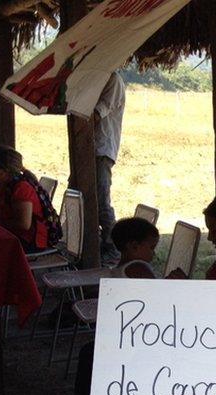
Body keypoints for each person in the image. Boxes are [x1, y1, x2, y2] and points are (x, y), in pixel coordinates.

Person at [32, 216, 159, 395]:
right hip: (138, 343)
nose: (153, 253)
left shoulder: (117, 267)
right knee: (91, 355)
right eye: (151, 247)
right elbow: (159, 299)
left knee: (90, 354)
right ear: (133, 247)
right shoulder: (138, 269)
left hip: (127, 339)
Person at [95, 71, 126, 265]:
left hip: (102, 149)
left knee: (101, 200)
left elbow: (98, 113)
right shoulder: (96, 78)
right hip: (90, 149)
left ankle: (112, 247)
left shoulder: (112, 79)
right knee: (84, 197)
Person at [0, 146, 48, 252]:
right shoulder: (2, 186)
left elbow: (24, 225)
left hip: (27, 241)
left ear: (3, 170)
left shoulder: (21, 188)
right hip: (11, 237)